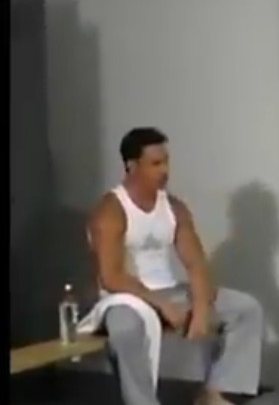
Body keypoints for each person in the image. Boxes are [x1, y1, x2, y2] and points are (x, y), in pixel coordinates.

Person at [88, 127, 264, 405]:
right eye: (155, 163)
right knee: (125, 330)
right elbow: (112, 277)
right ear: (132, 166)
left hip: (171, 292)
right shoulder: (111, 210)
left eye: (166, 162)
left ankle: (216, 394)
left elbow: (196, 262)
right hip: (125, 298)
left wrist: (202, 307)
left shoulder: (174, 207)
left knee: (246, 309)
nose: (165, 170)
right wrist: (161, 304)